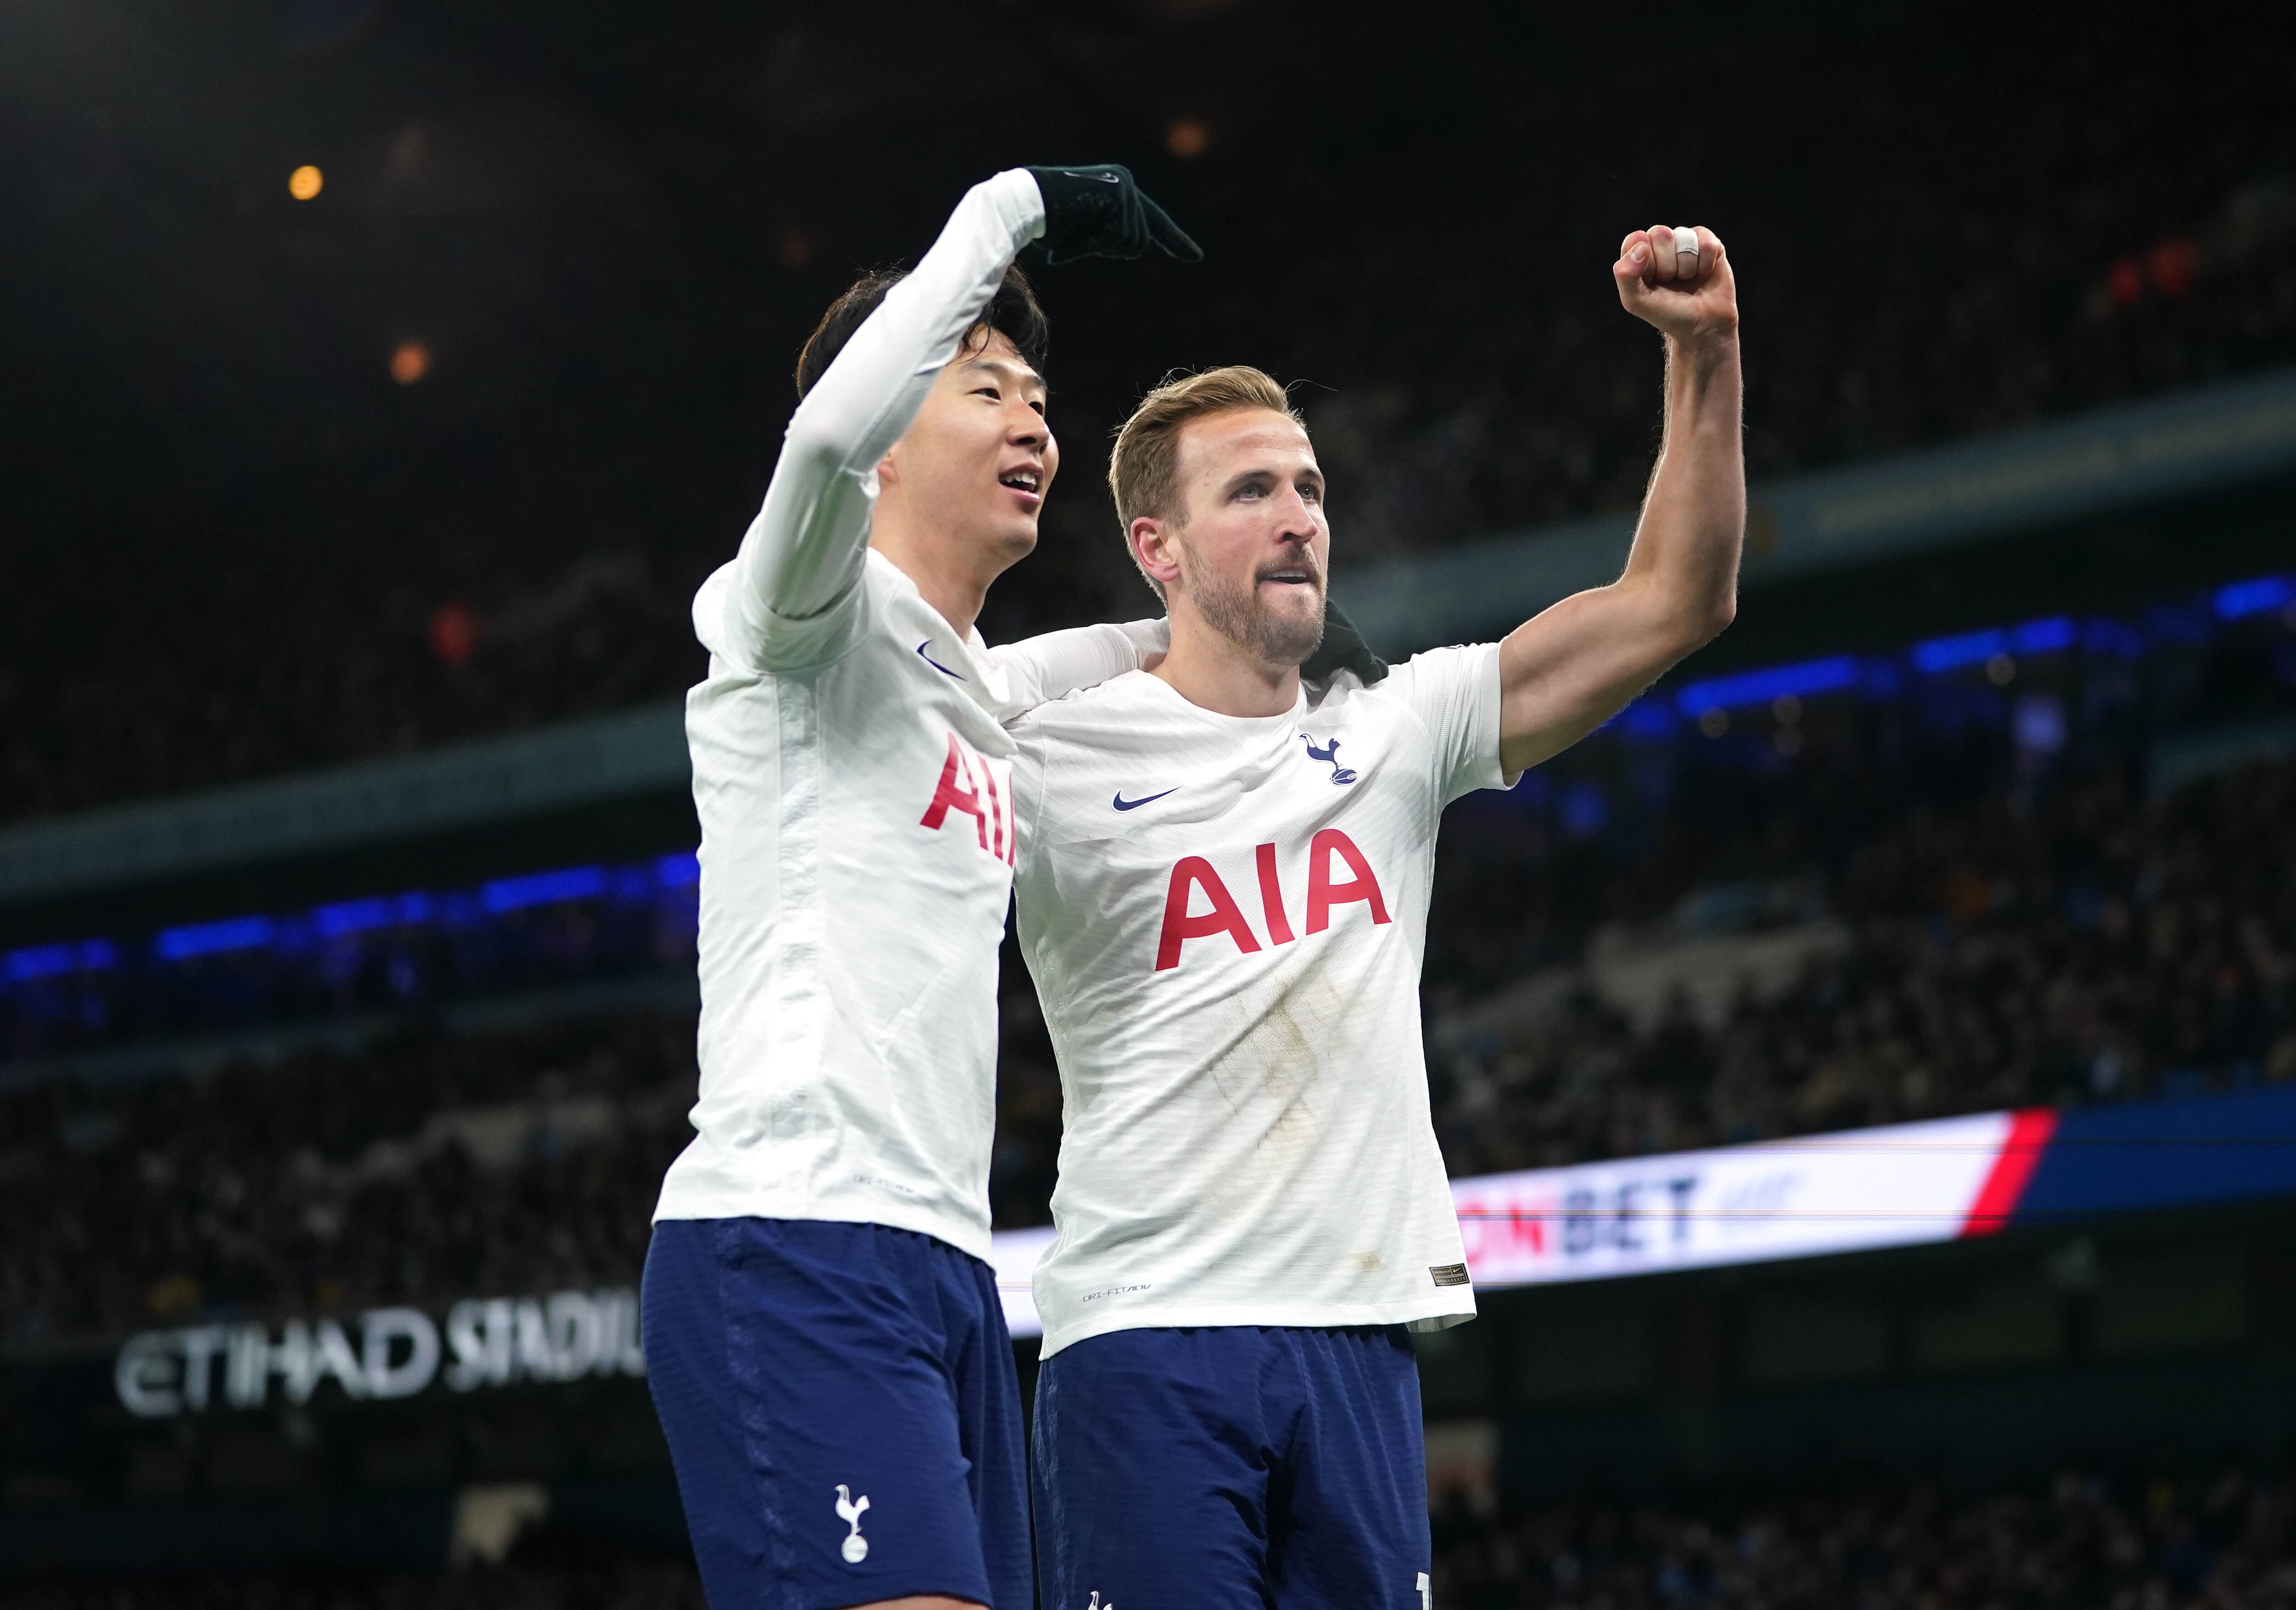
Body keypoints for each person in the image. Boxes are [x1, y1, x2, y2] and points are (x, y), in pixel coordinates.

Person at [1009, 224, 1744, 1605]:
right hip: (1148, 1343)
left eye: (1309, 485)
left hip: (1357, 1340)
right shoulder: (1052, 755)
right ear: (1154, 545)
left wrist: (1703, 353)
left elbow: (1675, 599)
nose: (1298, 515)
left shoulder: (1400, 726)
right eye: (1251, 491)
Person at [641, 165, 1197, 1610]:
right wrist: (1013, 208)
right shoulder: (796, 618)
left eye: (1038, 396)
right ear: (896, 431)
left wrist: (1216, 629)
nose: (1033, 420)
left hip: (949, 1266)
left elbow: (1047, 670)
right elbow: (824, 431)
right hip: (795, 1235)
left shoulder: (959, 689)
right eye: (984, 385)